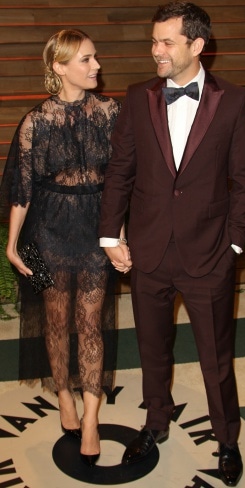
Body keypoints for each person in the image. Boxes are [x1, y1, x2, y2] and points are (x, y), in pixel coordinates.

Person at [98, 2, 245, 485]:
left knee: (216, 357)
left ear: (197, 45)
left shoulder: (232, 101)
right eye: (154, 41)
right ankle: (155, 423)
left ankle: (226, 438)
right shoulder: (137, 96)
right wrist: (110, 233)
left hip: (208, 255)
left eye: (166, 42)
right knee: (152, 349)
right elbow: (120, 171)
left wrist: (232, 247)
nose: (156, 51)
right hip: (147, 251)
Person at [0, 29, 120, 466]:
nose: (97, 66)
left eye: (95, 57)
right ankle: (64, 394)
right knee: (55, 319)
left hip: (94, 231)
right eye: (86, 59)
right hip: (44, 231)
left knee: (89, 321)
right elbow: (21, 188)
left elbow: (125, 181)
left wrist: (119, 234)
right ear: (60, 67)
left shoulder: (111, 112)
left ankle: (90, 417)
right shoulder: (36, 122)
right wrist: (13, 244)